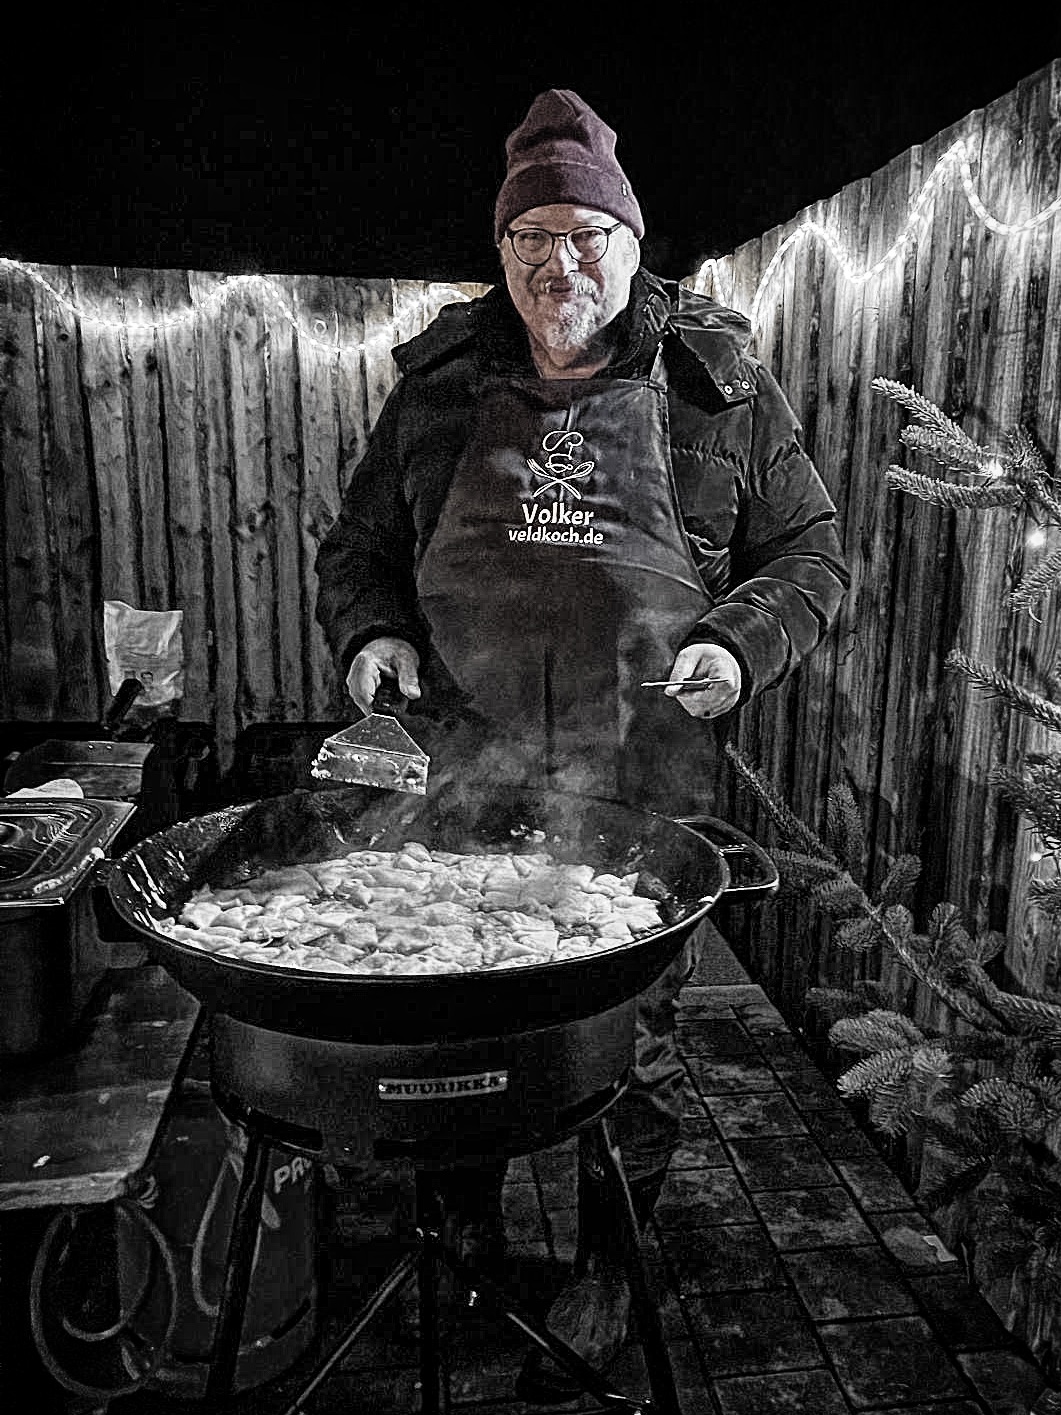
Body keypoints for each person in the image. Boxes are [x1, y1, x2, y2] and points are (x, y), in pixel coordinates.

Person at [315, 88, 849, 1401]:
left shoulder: (713, 385)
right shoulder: (440, 386)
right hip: (463, 748)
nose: (560, 261)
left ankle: (614, 1257)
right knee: (452, 999)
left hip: (643, 760)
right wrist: (370, 629)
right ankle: (466, 1233)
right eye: (530, 236)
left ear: (633, 240)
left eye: (587, 233)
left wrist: (736, 643)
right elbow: (360, 549)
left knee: (631, 1032)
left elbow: (809, 554)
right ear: (500, 253)